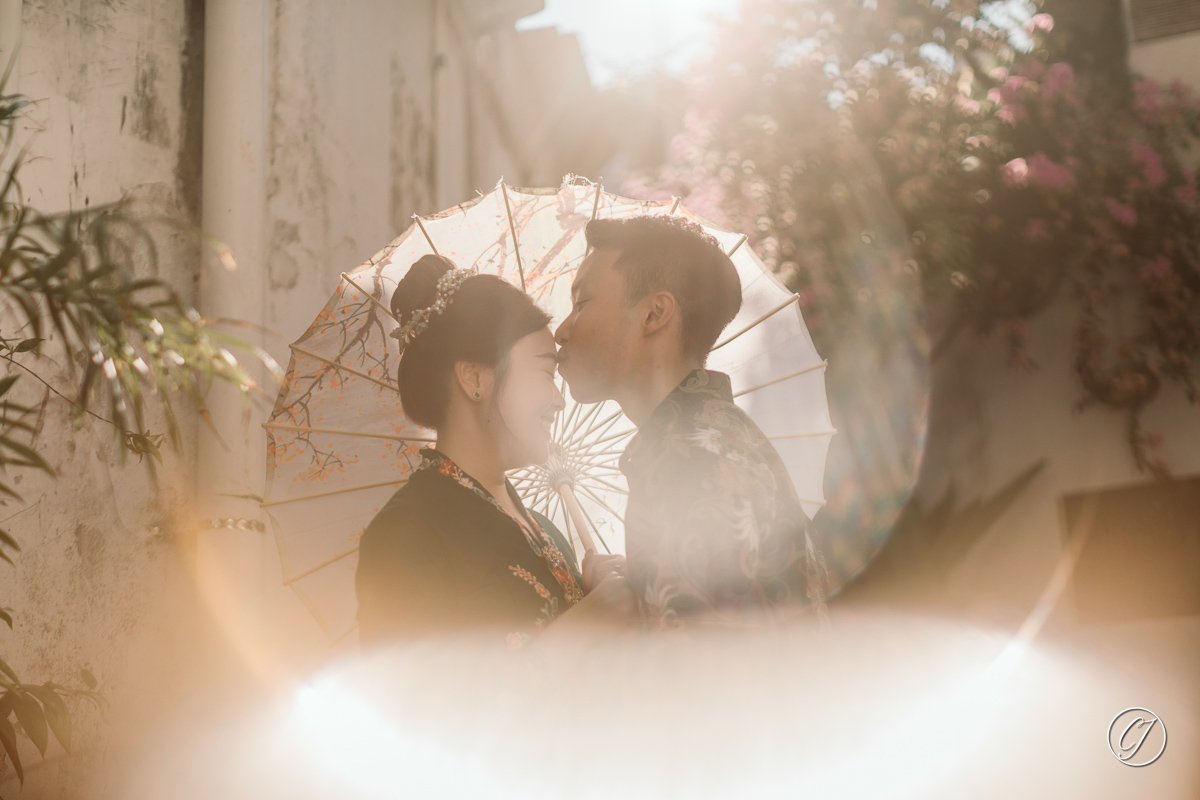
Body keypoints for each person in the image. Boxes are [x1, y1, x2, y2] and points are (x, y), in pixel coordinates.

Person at [553, 215, 815, 626]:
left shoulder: (689, 463)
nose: (562, 331)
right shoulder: (709, 441)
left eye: (581, 304)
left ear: (655, 313)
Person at [355, 255, 627, 649]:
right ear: (475, 378)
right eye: (546, 374)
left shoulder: (546, 532)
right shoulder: (408, 532)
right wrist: (585, 624)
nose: (559, 401)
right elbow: (412, 703)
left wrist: (590, 597)